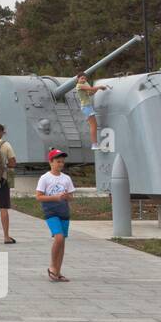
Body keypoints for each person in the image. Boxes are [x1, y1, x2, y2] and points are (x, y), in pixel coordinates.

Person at [36, 149, 75, 282]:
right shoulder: (45, 178)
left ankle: (58, 272)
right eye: (58, 161)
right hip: (51, 212)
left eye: (62, 162)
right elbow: (39, 197)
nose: (60, 164)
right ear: (51, 162)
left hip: (64, 212)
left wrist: (66, 197)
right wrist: (55, 197)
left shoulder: (66, 178)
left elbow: (71, 197)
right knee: (58, 237)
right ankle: (52, 266)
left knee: (62, 241)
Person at [75, 74, 108, 147]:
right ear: (78, 79)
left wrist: (97, 89)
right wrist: (99, 87)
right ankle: (94, 144)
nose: (83, 80)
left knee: (94, 125)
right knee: (93, 125)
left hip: (88, 107)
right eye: (82, 78)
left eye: (85, 79)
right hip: (86, 107)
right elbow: (91, 89)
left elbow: (91, 93)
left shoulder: (83, 86)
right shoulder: (79, 85)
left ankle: (95, 144)